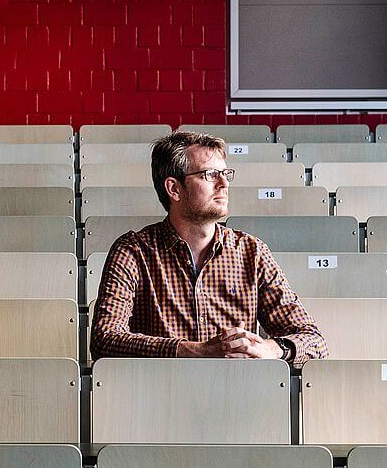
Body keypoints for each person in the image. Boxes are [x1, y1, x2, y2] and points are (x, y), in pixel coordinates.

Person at [90, 131, 327, 366]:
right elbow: (104, 339)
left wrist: (270, 349)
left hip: (236, 394)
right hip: (160, 394)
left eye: (225, 174)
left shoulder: (251, 252)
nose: (223, 184)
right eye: (209, 175)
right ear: (174, 189)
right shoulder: (133, 251)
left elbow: (314, 341)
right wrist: (193, 351)